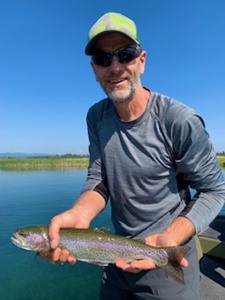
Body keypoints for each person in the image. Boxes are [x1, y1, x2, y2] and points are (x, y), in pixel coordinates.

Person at [49, 12, 225, 300]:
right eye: (103, 59)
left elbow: (214, 190)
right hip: (114, 255)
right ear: (94, 69)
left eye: (125, 54)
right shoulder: (96, 117)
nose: (115, 67)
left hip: (168, 255)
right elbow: (100, 179)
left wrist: (171, 239)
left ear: (141, 60)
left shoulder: (178, 120)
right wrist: (79, 214)